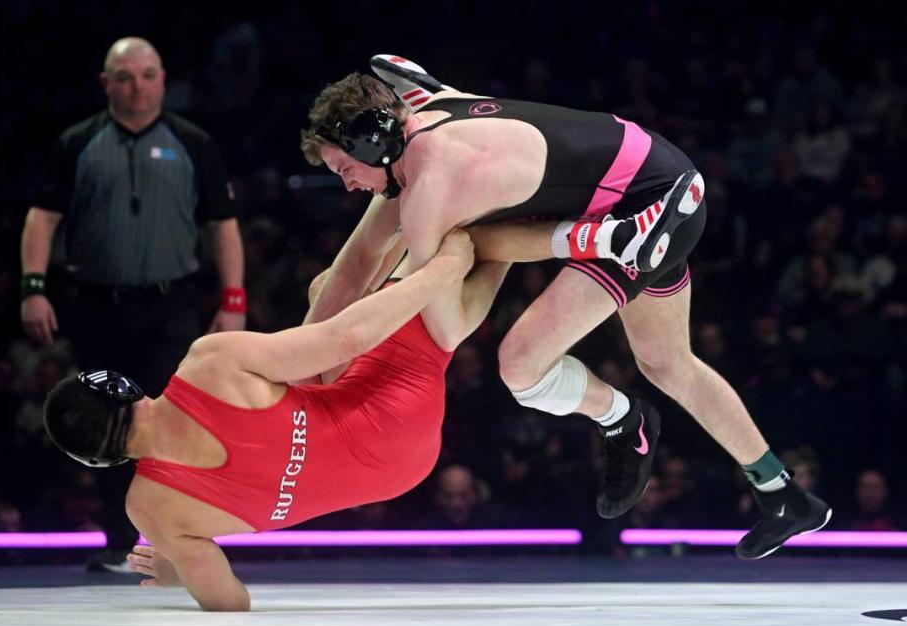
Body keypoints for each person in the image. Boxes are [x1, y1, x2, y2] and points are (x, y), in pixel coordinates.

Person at [299, 55, 831, 559]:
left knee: (521, 365)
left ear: (374, 143)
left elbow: (451, 329)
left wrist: (442, 265)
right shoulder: (428, 109)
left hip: (641, 217)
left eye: (346, 168)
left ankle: (624, 418)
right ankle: (783, 494)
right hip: (660, 176)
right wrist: (306, 374)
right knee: (668, 363)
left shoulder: (431, 193)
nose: (346, 185)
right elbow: (352, 267)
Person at [43, 229, 509, 611]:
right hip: (391, 411)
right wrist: (442, 269)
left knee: (330, 293)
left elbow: (230, 602)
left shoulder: (150, 509)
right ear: (119, 387)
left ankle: (500, 244)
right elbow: (345, 338)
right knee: (425, 263)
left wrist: (182, 570)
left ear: (96, 460)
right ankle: (521, 229)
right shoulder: (210, 362)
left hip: (403, 472)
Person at [19, 37, 246, 572]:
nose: (136, 86)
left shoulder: (193, 142)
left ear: (162, 79)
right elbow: (41, 217)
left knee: (177, 422)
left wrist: (233, 297)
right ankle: (122, 544)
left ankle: (179, 542)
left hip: (171, 304)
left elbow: (223, 224)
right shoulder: (78, 142)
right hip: (98, 303)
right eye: (124, 77)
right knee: (108, 426)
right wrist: (33, 287)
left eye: (147, 75)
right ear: (106, 83)